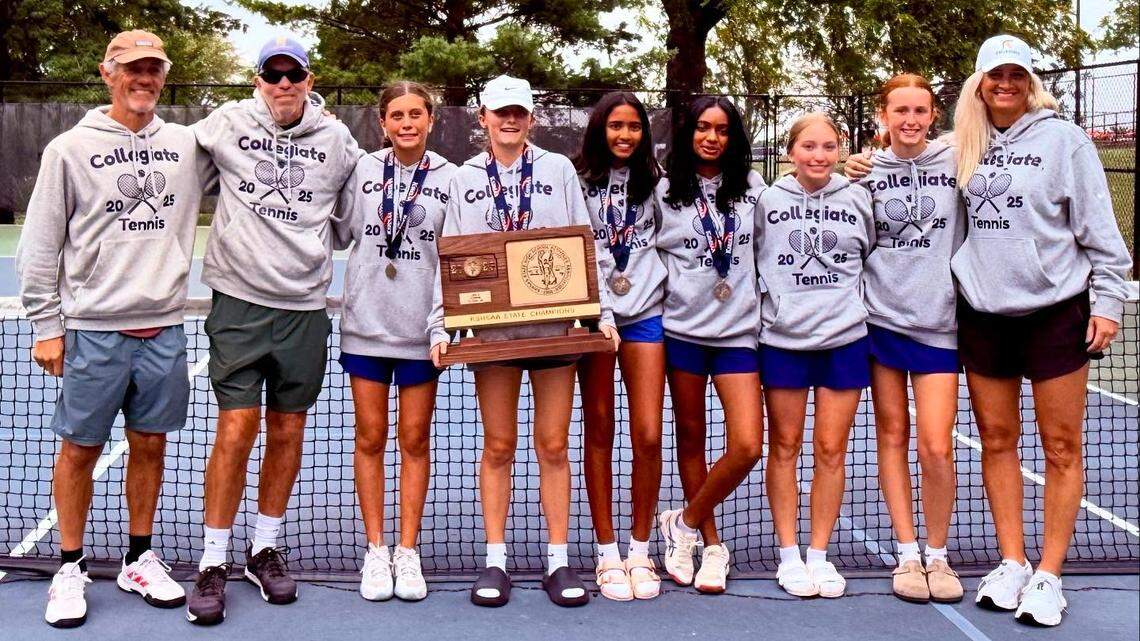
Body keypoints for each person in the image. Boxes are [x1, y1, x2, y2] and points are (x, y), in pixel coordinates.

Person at [16, 30, 210, 627]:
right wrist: (47, 323)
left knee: (150, 445)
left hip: (164, 328)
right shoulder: (68, 150)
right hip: (93, 330)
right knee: (80, 450)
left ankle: (137, 556)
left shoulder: (185, 144)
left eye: (153, 69)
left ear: (163, 77)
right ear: (108, 73)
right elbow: (41, 245)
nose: (144, 79)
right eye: (133, 69)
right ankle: (69, 566)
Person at [947, 35, 1131, 626]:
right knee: (997, 441)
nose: (1007, 84)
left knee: (1060, 447)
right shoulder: (961, 146)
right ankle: (1012, 562)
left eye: (1017, 75)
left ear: (1030, 82)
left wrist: (1108, 303)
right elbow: (904, 167)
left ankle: (1050, 574)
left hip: (1056, 314)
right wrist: (862, 161)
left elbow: (1101, 232)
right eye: (996, 75)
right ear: (979, 82)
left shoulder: (1065, 140)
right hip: (984, 316)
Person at [186, 36, 362, 625]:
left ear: (310, 80)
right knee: (237, 429)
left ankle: (263, 547)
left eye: (294, 75)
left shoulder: (337, 140)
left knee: (288, 430)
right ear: (258, 79)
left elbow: (351, 220)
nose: (283, 84)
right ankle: (213, 559)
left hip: (304, 308)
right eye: (272, 74)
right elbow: (175, 169)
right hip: (238, 303)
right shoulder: (224, 123)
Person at [428, 75, 619, 608]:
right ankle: (496, 559)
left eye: (518, 113)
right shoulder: (464, 178)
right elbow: (450, 256)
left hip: (556, 329)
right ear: (482, 119)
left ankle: (558, 558)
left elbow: (584, 241)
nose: (509, 121)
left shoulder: (557, 170)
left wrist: (598, 313)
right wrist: (441, 324)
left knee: (553, 445)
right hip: (495, 336)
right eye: (499, 113)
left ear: (530, 119)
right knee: (499, 445)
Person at [333, 81, 455, 602]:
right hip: (365, 325)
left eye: (416, 114)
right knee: (369, 437)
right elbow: (335, 231)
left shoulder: (453, 178)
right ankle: (375, 550)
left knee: (414, 440)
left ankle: (408, 551)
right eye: (396, 115)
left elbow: (458, 262)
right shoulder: (360, 170)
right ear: (382, 122)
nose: (406, 123)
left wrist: (443, 324)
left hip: (420, 332)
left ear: (431, 119)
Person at [852, 74, 966, 604]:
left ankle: (938, 554)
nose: (911, 120)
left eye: (921, 110)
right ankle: (907, 553)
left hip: (941, 323)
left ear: (933, 115)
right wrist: (851, 162)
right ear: (884, 114)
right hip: (880, 321)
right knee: (892, 437)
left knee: (936, 446)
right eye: (901, 110)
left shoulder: (958, 161)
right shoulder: (864, 173)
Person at [757, 113, 874, 599]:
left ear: (841, 149)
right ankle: (788, 554)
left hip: (844, 339)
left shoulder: (858, 197)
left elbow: (870, 255)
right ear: (791, 150)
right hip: (784, 341)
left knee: (831, 451)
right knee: (784, 448)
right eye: (808, 146)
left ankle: (819, 555)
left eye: (828, 146)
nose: (819, 156)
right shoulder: (766, 200)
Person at [654, 96, 766, 594]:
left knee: (747, 444)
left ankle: (684, 522)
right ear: (689, 133)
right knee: (693, 441)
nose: (711, 138)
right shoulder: (662, 191)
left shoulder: (755, 189)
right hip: (681, 333)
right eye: (702, 128)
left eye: (721, 130)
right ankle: (711, 546)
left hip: (738, 332)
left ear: (733, 138)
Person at [574, 91, 666, 601]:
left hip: (646, 316)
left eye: (633, 126)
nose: (625, 135)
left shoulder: (659, 183)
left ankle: (640, 548)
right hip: (593, 321)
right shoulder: (577, 182)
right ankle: (607, 551)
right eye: (615, 126)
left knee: (648, 433)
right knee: (600, 429)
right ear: (600, 130)